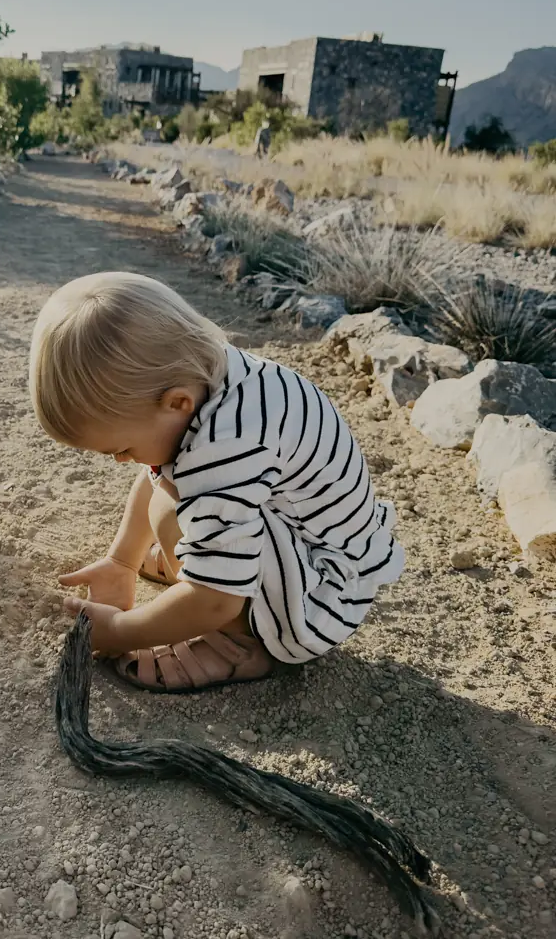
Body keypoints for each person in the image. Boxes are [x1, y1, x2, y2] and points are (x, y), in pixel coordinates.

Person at [28, 272, 403, 694]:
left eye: (123, 448)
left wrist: (119, 630)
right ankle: (204, 560)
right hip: (314, 542)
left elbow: (216, 599)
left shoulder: (224, 446)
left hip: (321, 599)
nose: (120, 460)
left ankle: (240, 643)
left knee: (170, 507)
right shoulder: (210, 374)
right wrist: (122, 561)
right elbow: (158, 471)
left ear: (177, 402)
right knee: (170, 482)